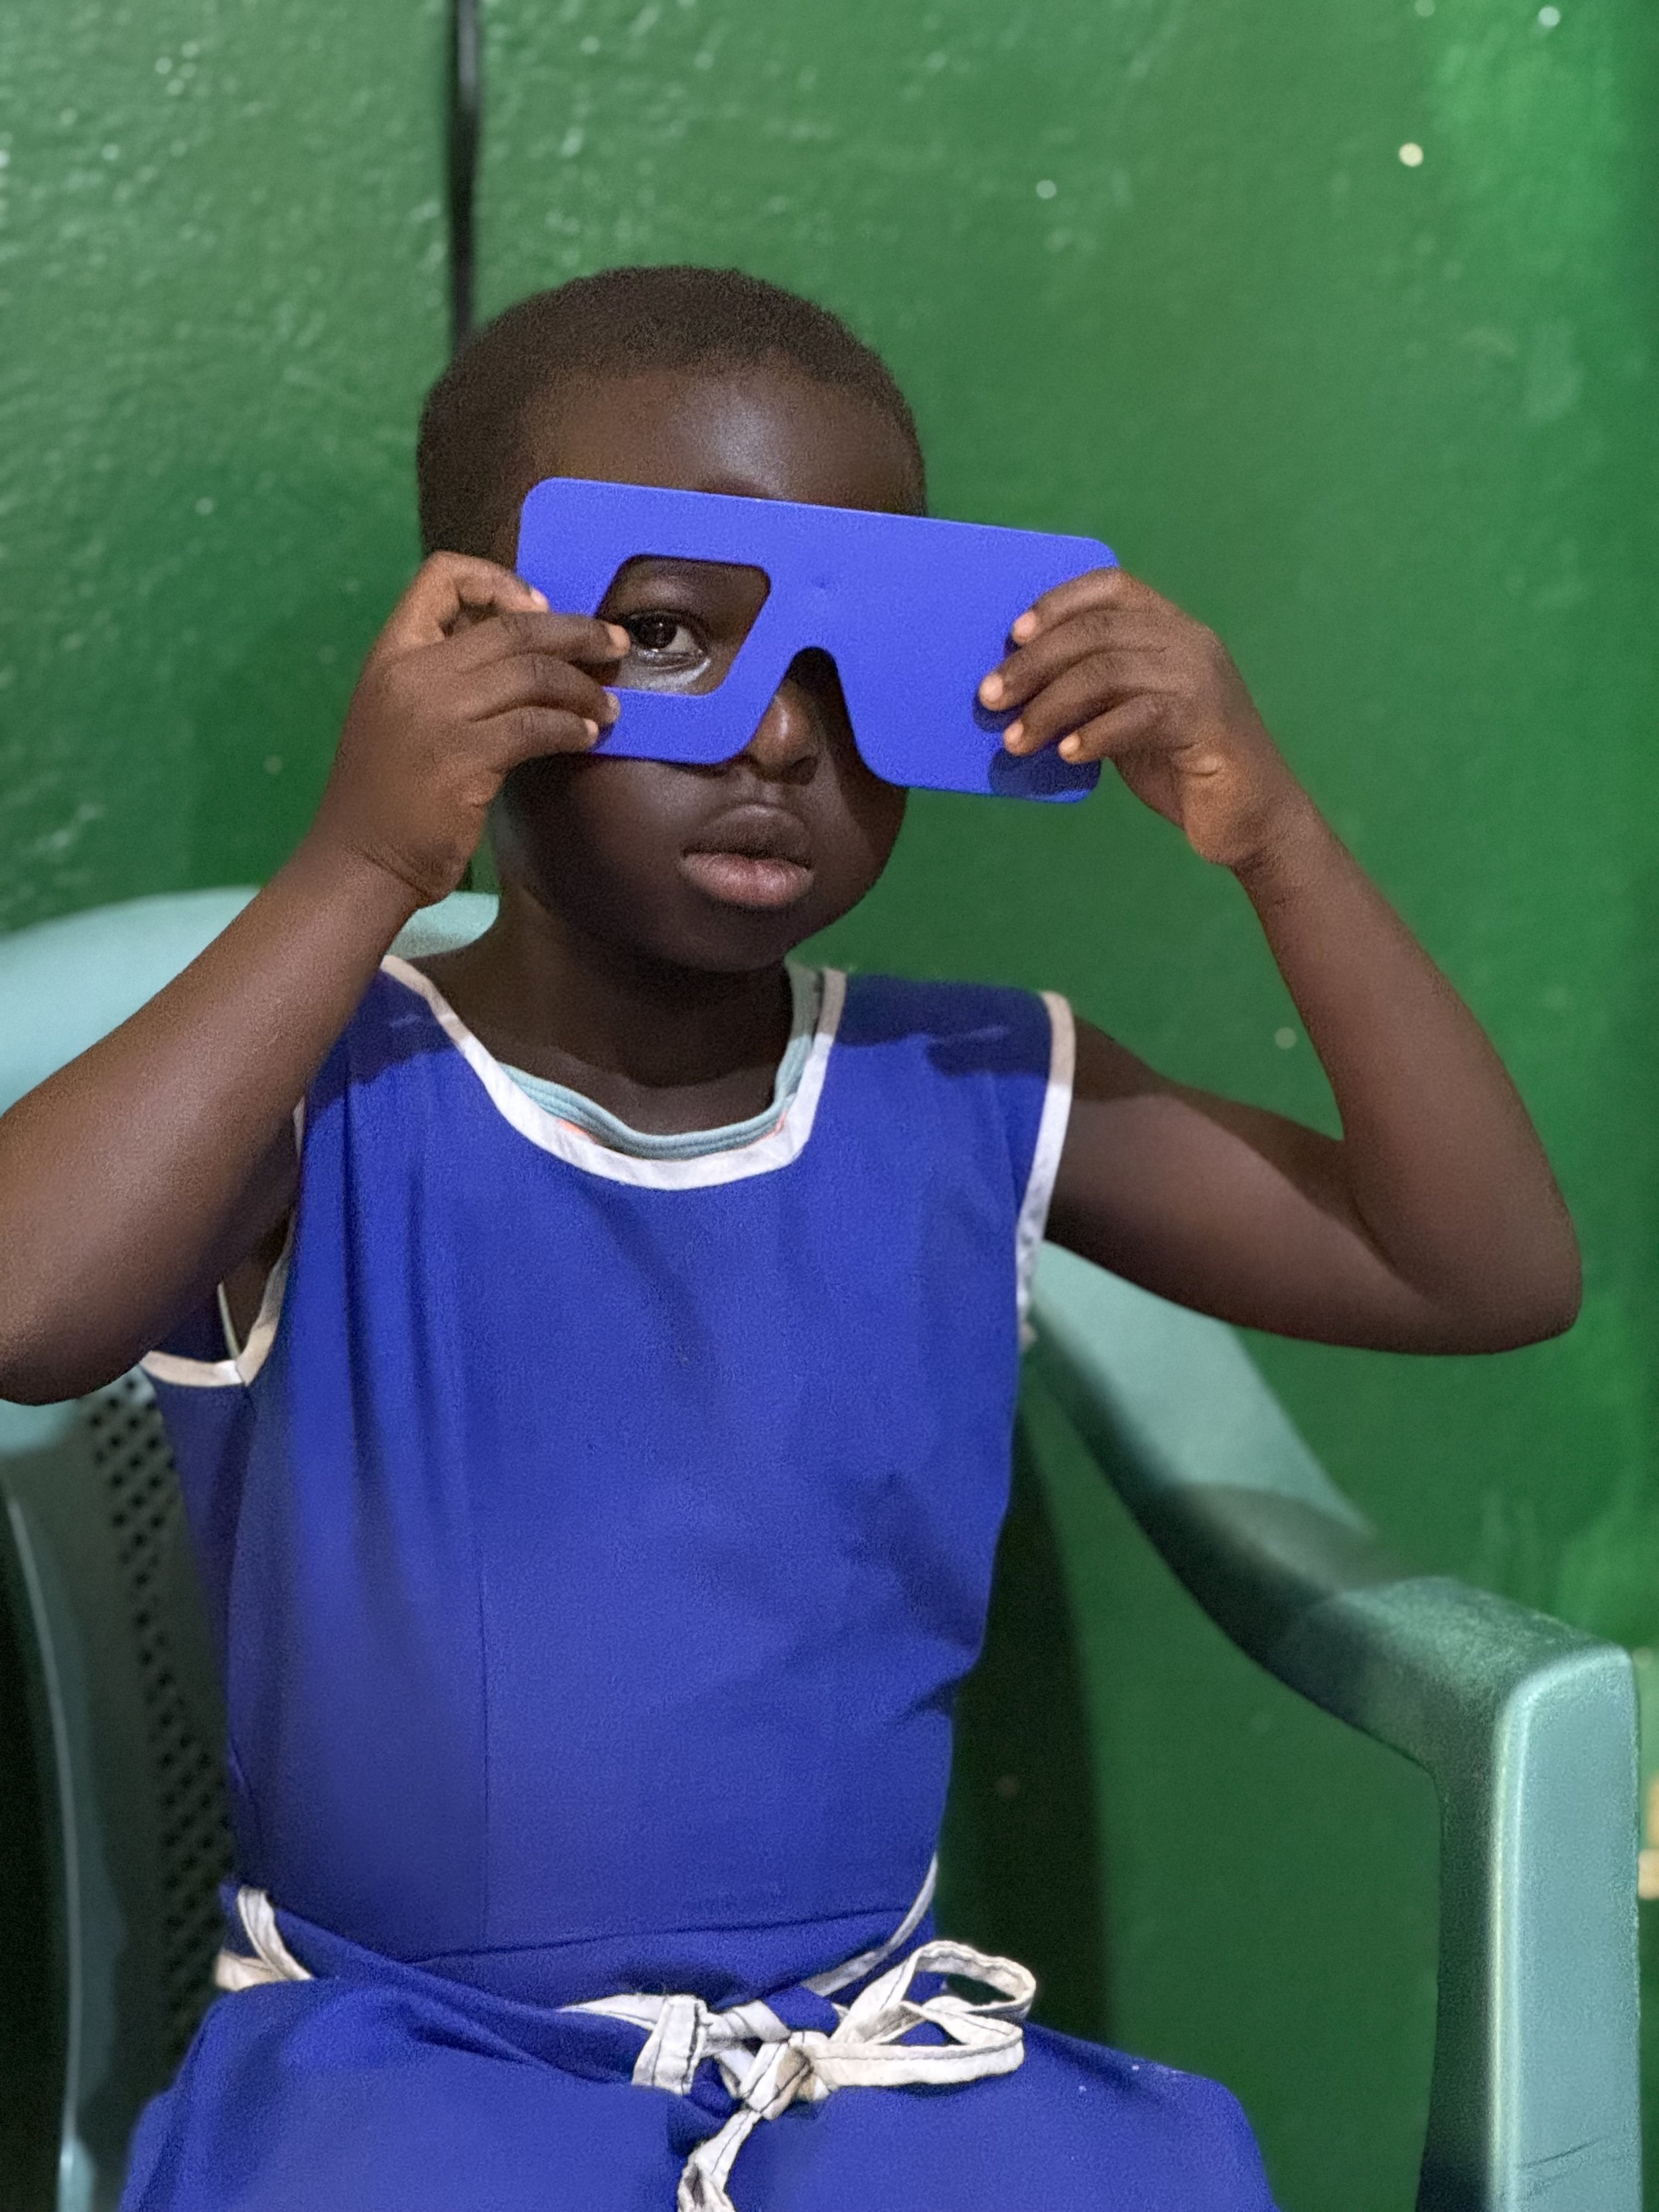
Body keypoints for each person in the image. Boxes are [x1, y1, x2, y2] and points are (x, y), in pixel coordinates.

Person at [0, 267, 1579, 2211]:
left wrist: (1277, 840)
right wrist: (362, 858)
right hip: (402, 2081)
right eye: (672, 636)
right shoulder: (333, 1095)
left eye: (860, 657)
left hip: (885, 2077)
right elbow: (25, 1307)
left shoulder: (982, 1085)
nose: (777, 737)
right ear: (475, 636)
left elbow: (1480, 1273)